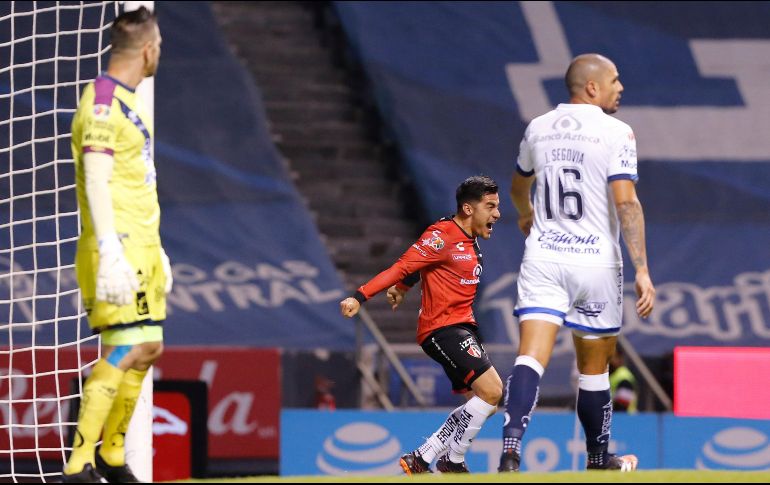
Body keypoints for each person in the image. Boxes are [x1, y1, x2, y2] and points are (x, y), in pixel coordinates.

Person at [498, 53, 655, 473]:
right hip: (596, 263)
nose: (620, 87)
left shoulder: (538, 127)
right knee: (594, 369)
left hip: (545, 257)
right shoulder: (618, 132)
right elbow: (626, 202)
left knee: (530, 356)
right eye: (615, 80)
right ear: (592, 87)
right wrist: (641, 268)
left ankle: (511, 450)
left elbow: (517, 186)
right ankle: (598, 458)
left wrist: (526, 213)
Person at [63, 7, 169, 483]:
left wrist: (156, 247)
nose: (160, 52)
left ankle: (111, 455)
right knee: (126, 346)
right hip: (117, 247)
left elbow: (133, 179)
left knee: (148, 346)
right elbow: (97, 178)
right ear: (148, 49)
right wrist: (109, 250)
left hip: (141, 246)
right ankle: (80, 461)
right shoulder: (104, 103)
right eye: (160, 45)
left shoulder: (126, 102)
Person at [340, 176, 504, 474]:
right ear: (468, 208)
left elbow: (429, 265)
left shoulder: (469, 236)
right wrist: (359, 296)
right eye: (490, 206)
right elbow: (406, 264)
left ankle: (423, 458)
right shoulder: (442, 234)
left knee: (484, 404)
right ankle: (450, 460)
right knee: (492, 391)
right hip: (443, 329)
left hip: (463, 326)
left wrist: (404, 287)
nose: (497, 214)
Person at [609, 346, 638, 413]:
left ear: (620, 358)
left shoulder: (623, 378)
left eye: (613, 356)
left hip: (624, 420)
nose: (609, 359)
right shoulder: (613, 375)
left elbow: (621, 408)